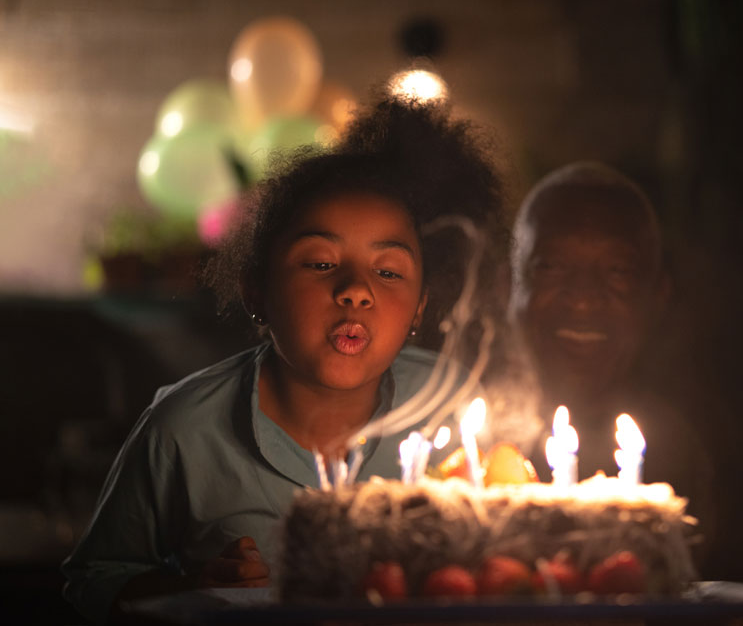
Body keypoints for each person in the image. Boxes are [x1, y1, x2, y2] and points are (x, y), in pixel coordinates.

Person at [61, 97, 505, 624]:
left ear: (420, 308)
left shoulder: (452, 406)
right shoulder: (184, 429)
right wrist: (191, 586)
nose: (356, 291)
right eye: (320, 262)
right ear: (257, 291)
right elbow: (88, 583)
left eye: (388, 272)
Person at [504, 160, 719, 567]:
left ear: (658, 296)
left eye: (618, 271)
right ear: (508, 286)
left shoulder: (690, 461)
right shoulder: (459, 449)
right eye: (551, 266)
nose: (583, 298)